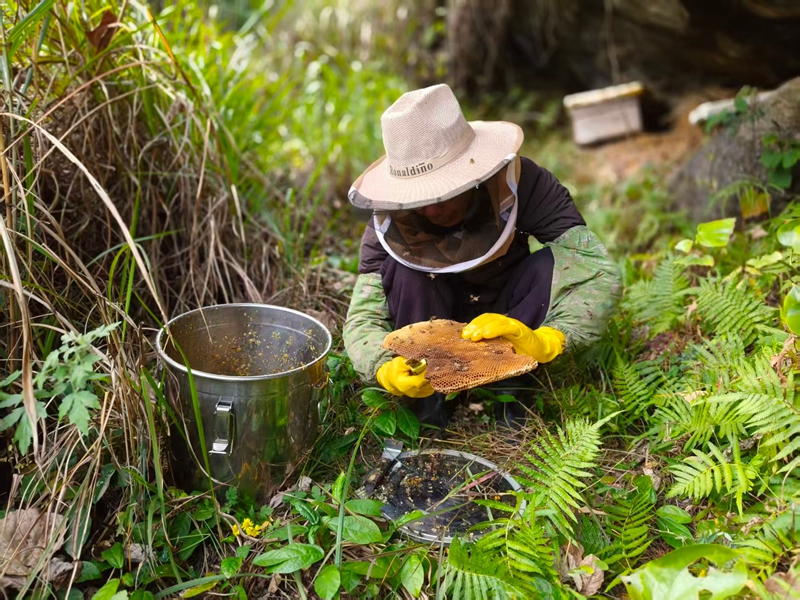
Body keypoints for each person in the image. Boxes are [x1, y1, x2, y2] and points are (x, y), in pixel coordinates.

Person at [342, 83, 621, 427]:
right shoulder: (388, 221)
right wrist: (382, 366)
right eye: (419, 197)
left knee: (548, 265)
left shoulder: (526, 183)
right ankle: (426, 411)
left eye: (444, 191)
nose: (431, 209)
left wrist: (551, 338)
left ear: (473, 174)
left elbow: (596, 270)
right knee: (402, 271)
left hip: (509, 316)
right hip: (431, 328)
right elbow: (363, 315)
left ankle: (516, 393)